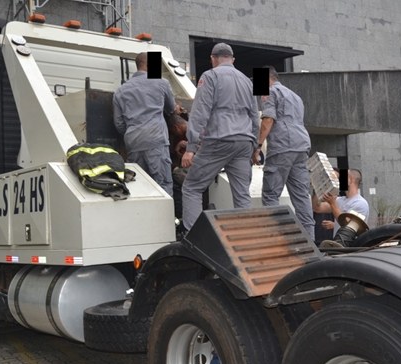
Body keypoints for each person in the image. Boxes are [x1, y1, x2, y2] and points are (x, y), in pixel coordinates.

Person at [181, 43, 259, 232]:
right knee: (242, 195)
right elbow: (255, 115)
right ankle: (247, 239)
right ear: (232, 59)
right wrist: (255, 147)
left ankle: (195, 239)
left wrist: (191, 148)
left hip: (219, 139)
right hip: (244, 142)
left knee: (192, 187)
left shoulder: (210, 76)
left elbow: (200, 112)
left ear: (213, 59)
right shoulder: (247, 81)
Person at [253, 66, 314, 241]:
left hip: (282, 145)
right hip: (301, 145)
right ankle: (310, 241)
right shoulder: (296, 96)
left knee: (271, 195)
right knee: (301, 196)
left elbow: (268, 120)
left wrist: (257, 145)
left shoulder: (271, 92)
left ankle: (277, 240)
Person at [113, 52, 175, 195]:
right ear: (148, 65)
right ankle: (163, 217)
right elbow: (171, 108)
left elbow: (119, 123)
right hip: (156, 140)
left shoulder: (121, 90)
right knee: (163, 184)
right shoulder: (161, 82)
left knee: (139, 184)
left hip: (133, 141)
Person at [312, 169, 369, 237]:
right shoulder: (340, 200)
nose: (339, 181)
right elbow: (317, 208)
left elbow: (348, 226)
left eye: (342, 177)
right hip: (339, 243)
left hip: (352, 245)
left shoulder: (360, 203)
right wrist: (320, 186)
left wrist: (332, 203)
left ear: (350, 179)